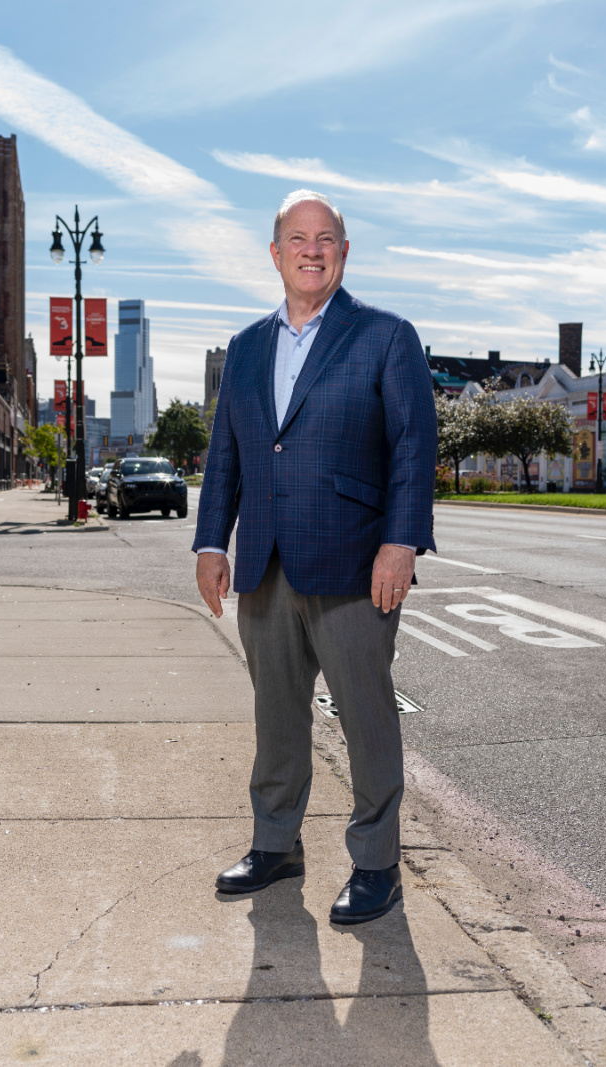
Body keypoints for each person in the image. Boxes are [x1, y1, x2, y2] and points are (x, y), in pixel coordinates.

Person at [193, 189, 437, 925]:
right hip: (265, 563)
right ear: (275, 254)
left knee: (366, 717)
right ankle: (276, 844)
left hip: (357, 565)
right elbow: (228, 454)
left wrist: (401, 542)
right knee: (276, 715)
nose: (310, 249)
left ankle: (376, 863)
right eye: (296, 238)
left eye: (324, 237)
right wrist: (211, 541)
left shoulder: (387, 337)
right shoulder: (245, 348)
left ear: (344, 250)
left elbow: (412, 449)